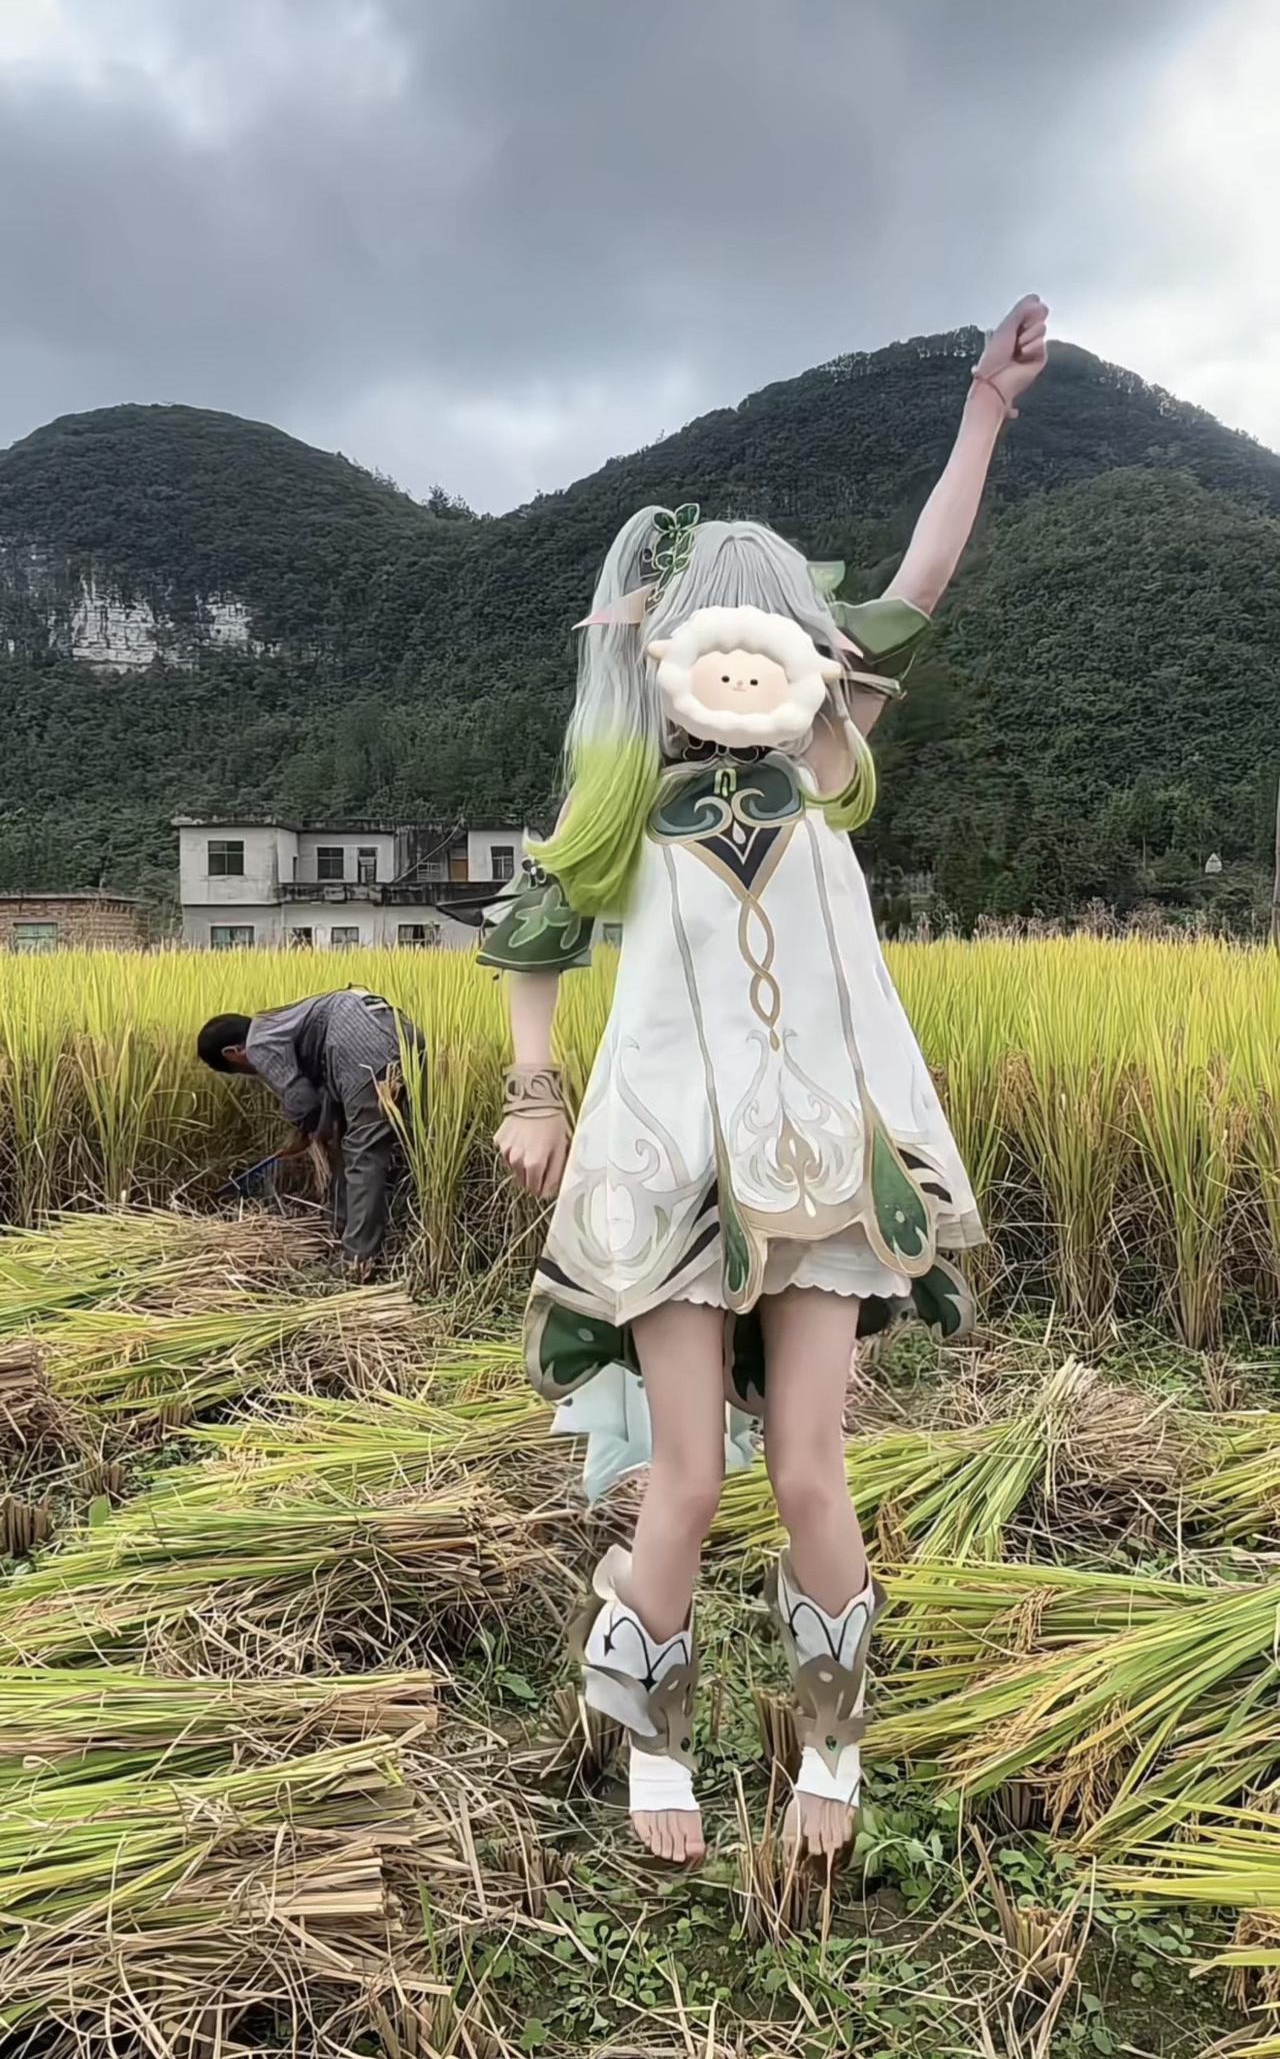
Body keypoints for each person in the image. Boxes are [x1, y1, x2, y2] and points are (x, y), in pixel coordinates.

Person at [482, 297, 1049, 1870]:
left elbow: (924, 581)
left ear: (804, 648)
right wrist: (532, 1092)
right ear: (659, 654)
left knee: (806, 1468)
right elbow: (534, 937)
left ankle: (833, 1737)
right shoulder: (621, 799)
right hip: (670, 1167)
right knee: (680, 1479)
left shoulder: (822, 755)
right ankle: (654, 1741)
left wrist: (984, 413)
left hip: (816, 1165)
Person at [197, 988, 424, 1273]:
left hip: (363, 1049)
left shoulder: (259, 1043)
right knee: (348, 1142)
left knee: (364, 1153)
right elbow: (321, 1094)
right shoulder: (277, 1022)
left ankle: (358, 1261)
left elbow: (301, 1097)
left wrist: (305, 1129)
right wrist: (318, 1129)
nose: (253, 1072)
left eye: (238, 1069)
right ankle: (340, 1229)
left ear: (233, 1052)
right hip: (398, 1032)